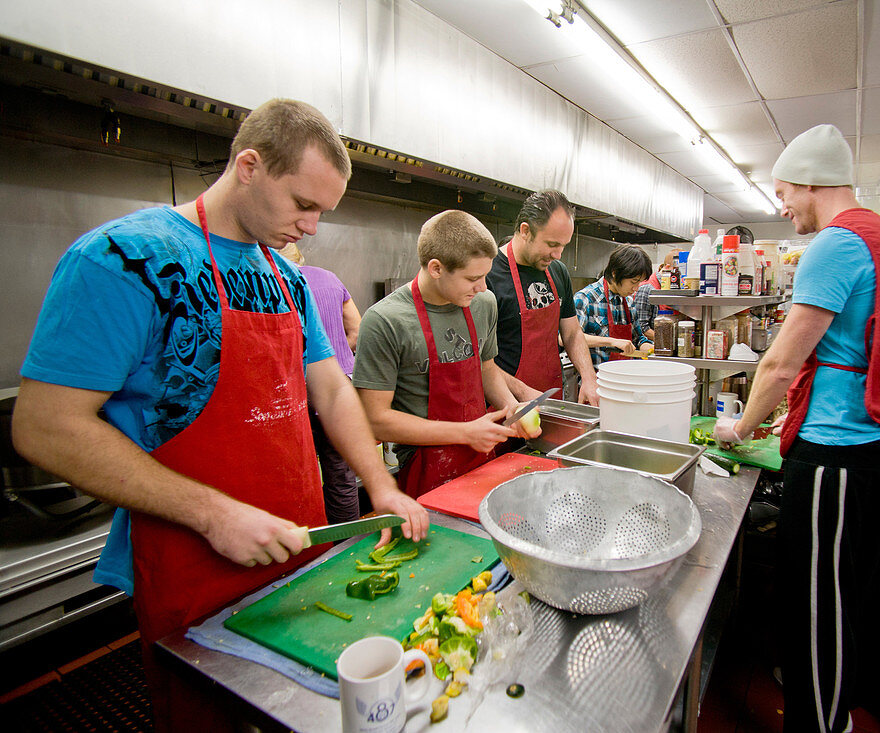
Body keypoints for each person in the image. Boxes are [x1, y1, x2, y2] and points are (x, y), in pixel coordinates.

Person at [12, 98, 427, 730]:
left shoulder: (282, 276)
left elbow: (332, 391)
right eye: (302, 204)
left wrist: (380, 485)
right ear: (250, 165)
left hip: (297, 552)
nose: (312, 227)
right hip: (192, 563)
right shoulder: (123, 259)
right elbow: (44, 425)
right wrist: (213, 513)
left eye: (323, 211)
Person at [713, 124, 880, 733]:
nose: (782, 206)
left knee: (816, 608)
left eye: (783, 192)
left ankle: (820, 724)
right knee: (842, 597)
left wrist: (743, 428)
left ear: (809, 182)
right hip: (867, 449)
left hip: (832, 455)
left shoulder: (836, 244)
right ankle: (833, 709)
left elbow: (782, 360)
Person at [354, 210, 540, 499]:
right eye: (472, 278)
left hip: (480, 457)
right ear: (436, 268)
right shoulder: (384, 320)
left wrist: (511, 406)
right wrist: (465, 432)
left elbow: (485, 367)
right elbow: (375, 419)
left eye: (486, 276)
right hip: (422, 468)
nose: (482, 287)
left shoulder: (483, 304)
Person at [485, 189, 599, 404]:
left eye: (563, 245)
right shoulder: (487, 276)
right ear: (525, 230)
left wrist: (589, 377)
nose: (558, 255)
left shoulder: (558, 271)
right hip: (505, 405)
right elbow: (480, 362)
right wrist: (522, 391)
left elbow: (572, 333)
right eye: (552, 244)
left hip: (550, 399)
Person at [282, 242, 364, 524]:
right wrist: (335, 352)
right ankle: (346, 542)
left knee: (298, 475)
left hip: (292, 392)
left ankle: (307, 549)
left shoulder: (269, 281)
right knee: (340, 474)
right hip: (339, 384)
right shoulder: (329, 278)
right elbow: (356, 330)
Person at [574, 244, 655, 364]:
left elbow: (638, 338)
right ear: (615, 273)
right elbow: (569, 339)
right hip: (598, 379)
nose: (636, 288)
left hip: (626, 376)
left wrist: (648, 348)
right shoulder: (586, 298)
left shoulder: (628, 302)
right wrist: (611, 341)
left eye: (640, 282)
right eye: (633, 282)